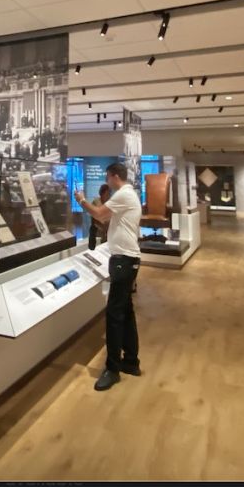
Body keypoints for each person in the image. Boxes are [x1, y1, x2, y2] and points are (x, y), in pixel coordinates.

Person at [74, 162, 142, 392]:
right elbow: (106, 220)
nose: (107, 181)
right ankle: (131, 361)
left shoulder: (123, 194)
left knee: (114, 315)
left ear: (114, 176)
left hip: (123, 260)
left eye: (108, 177)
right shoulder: (128, 195)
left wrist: (81, 200)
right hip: (126, 260)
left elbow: (99, 214)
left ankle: (112, 368)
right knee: (126, 311)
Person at [87, 184, 112, 249]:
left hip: (106, 231)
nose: (109, 195)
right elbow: (94, 218)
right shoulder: (96, 202)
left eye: (109, 193)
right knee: (94, 249)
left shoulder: (109, 203)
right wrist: (102, 226)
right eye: (107, 193)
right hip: (96, 230)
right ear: (102, 193)